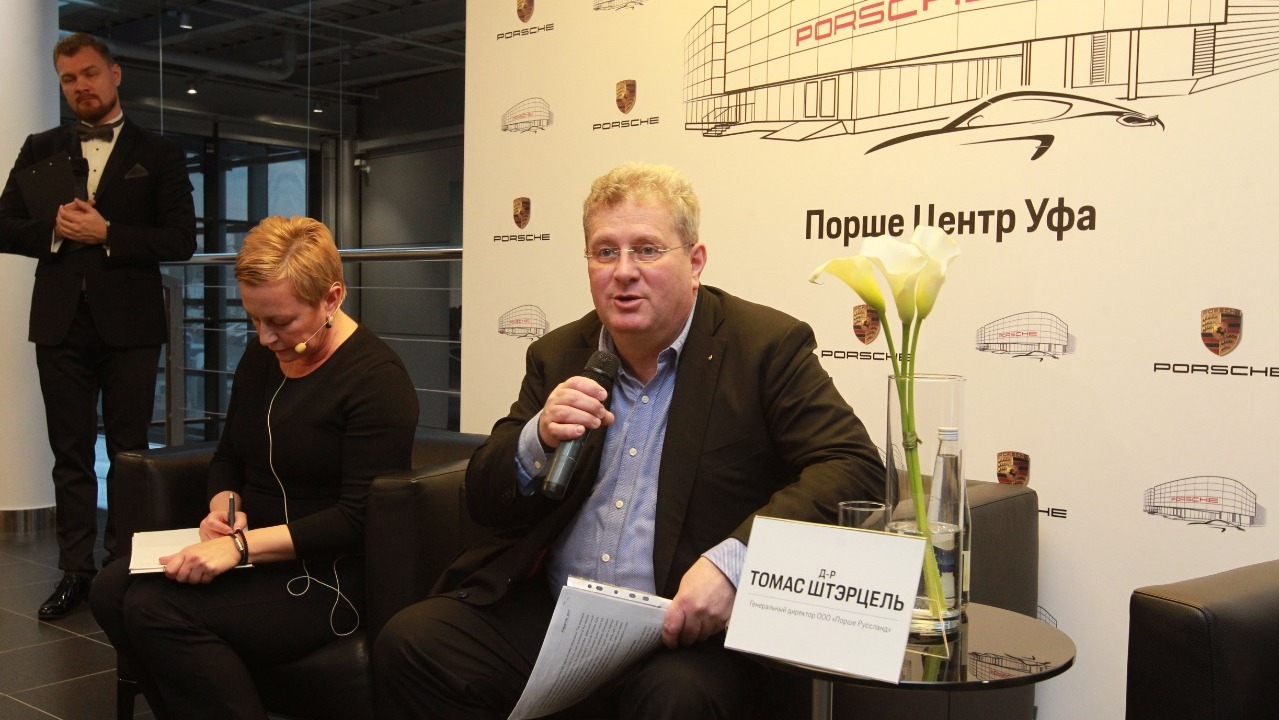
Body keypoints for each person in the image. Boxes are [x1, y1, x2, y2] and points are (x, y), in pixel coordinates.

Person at [373, 163, 885, 719]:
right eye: (605, 252)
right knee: (413, 644)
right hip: (559, 612)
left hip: (685, 631)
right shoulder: (558, 353)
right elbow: (484, 497)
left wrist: (734, 564)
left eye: (647, 250)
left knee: (674, 700)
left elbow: (852, 465)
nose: (623, 272)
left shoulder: (764, 347)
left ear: (695, 262)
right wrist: (536, 438)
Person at [89, 216, 419, 718]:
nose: (265, 338)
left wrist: (239, 547)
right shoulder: (263, 356)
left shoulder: (377, 380)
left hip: (326, 576)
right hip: (253, 555)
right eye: (254, 319)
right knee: (111, 588)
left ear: (332, 298)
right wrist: (224, 509)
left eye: (281, 322)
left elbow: (357, 519)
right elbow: (230, 456)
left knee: (154, 608)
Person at [0, 32, 197, 619]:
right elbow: (3, 225)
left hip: (131, 325)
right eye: (68, 79)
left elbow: (181, 240)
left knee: (130, 452)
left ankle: (123, 566)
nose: (80, 86)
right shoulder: (40, 147)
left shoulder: (158, 152)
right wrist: (55, 231)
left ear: (115, 74)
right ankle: (75, 571)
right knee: (70, 453)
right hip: (59, 323)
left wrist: (108, 233)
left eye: (89, 73)